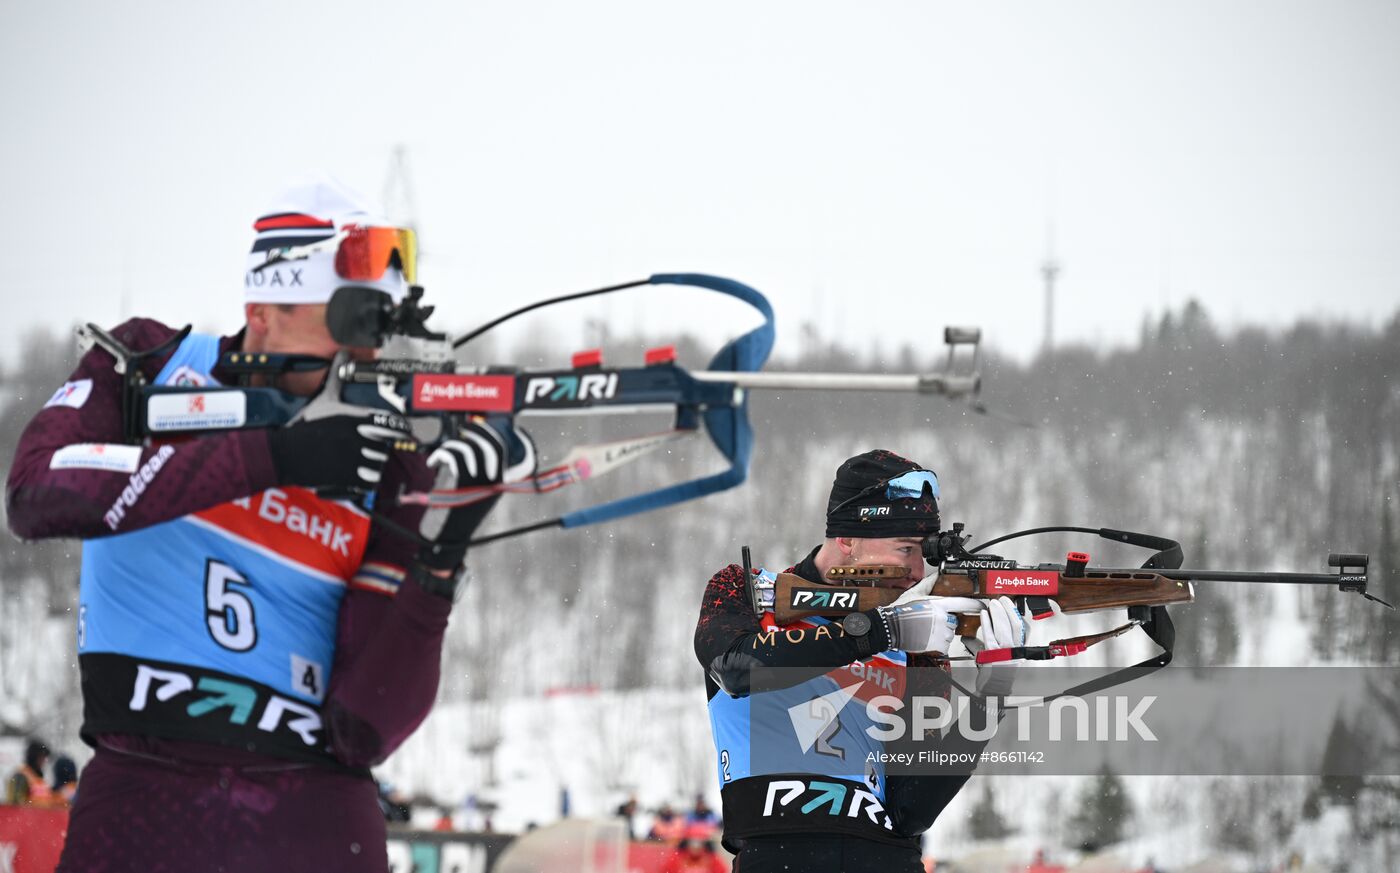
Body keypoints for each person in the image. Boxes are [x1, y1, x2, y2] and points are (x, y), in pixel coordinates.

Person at [5, 174, 525, 871]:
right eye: (352, 321)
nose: (364, 352)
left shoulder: (389, 459)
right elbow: (35, 491)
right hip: (142, 803)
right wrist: (276, 455)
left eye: (383, 325)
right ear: (264, 310)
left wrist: (442, 553)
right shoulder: (153, 367)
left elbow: (365, 724)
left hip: (310, 816)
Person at [694, 449, 1026, 873]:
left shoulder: (918, 643)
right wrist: (880, 631)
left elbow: (911, 809)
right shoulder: (746, 590)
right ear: (848, 539)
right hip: (779, 854)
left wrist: (991, 695)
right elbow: (736, 668)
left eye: (923, 552)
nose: (916, 569)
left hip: (887, 858)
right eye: (905, 548)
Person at [3, 739, 56, 807]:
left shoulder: (39, 779)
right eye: (42, 757)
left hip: (42, 816)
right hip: (26, 816)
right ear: (33, 757)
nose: (44, 761)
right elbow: (15, 805)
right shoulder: (20, 776)